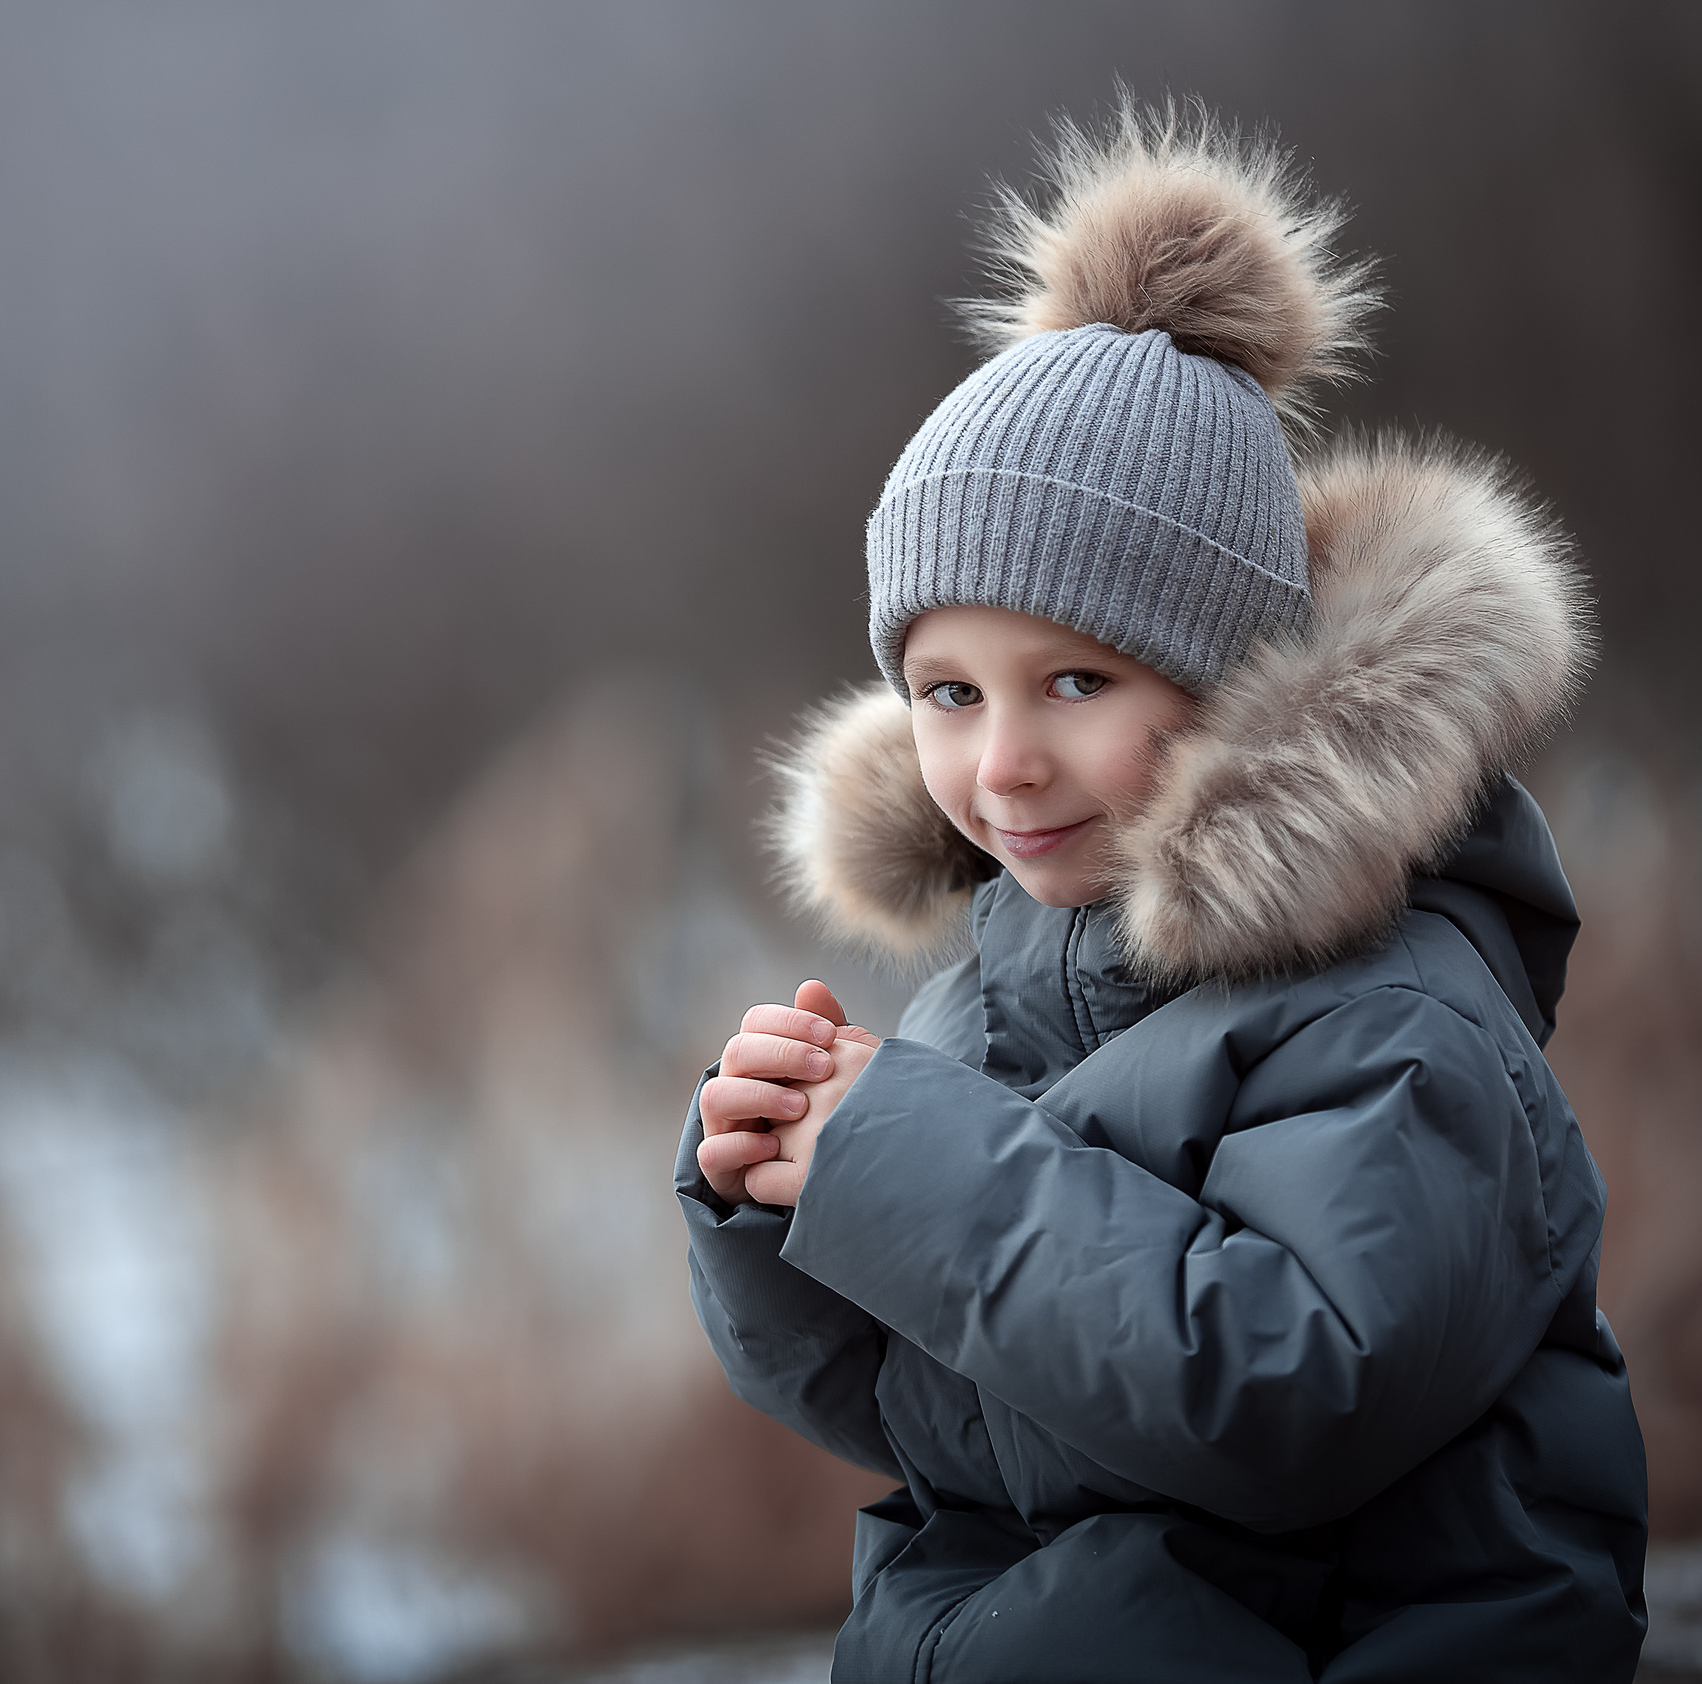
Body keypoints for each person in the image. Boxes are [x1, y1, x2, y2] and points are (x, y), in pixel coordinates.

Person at [673, 99, 1650, 1682]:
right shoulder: (989, 995)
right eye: (947, 691)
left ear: (1235, 676)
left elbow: (1286, 1397)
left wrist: (915, 1164)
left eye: (1074, 679)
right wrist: (773, 1198)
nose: (1002, 768)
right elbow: (930, 1406)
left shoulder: (1398, 1012)